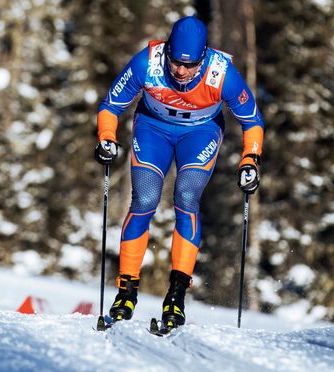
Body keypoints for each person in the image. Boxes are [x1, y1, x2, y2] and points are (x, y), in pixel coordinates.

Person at [94, 16, 264, 328]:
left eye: (190, 65)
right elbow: (110, 106)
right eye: (175, 62)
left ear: (204, 57)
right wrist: (107, 138)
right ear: (168, 51)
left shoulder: (222, 74)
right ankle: (126, 290)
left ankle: (176, 295)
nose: (181, 71)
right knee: (144, 199)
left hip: (200, 133)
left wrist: (250, 160)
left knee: (187, 196)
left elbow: (252, 121)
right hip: (152, 129)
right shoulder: (148, 63)